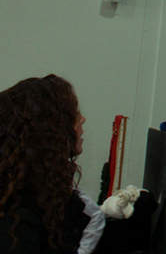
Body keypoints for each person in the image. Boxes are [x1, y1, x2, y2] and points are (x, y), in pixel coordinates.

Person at [0, 75, 104, 254]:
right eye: (74, 114)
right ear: (48, 130)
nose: (82, 119)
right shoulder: (19, 223)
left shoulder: (42, 197)